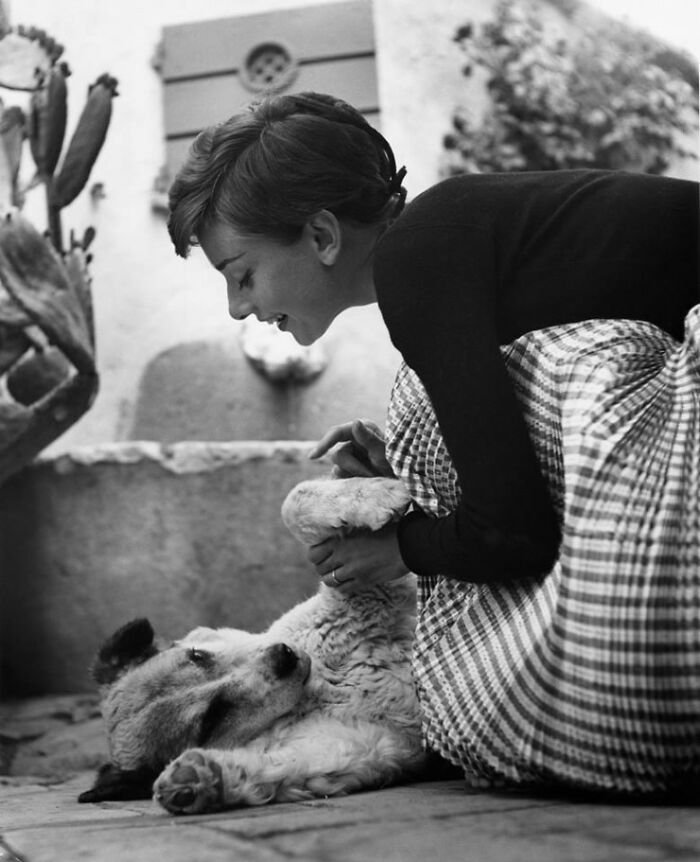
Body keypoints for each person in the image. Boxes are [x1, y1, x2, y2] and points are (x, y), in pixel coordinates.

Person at [167, 91, 700, 795]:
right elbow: (528, 454)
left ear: (322, 236)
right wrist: (416, 466)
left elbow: (512, 533)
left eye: (242, 274)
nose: (239, 307)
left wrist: (397, 549)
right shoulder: (441, 237)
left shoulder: (418, 262)